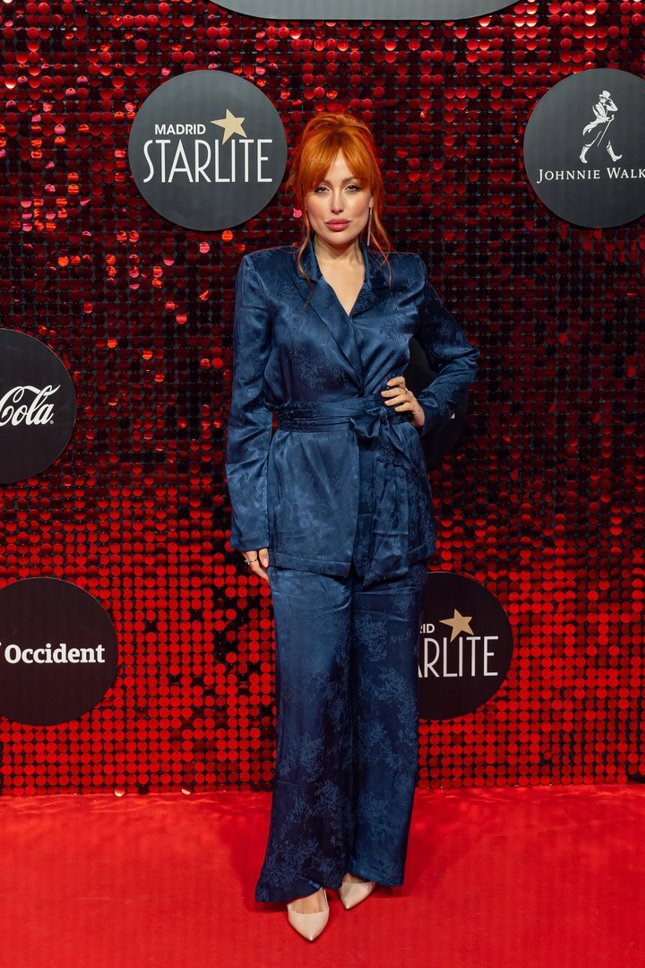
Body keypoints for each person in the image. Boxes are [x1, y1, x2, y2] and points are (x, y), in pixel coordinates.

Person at [226, 112, 479, 941]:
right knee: (310, 699)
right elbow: (247, 409)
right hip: (303, 504)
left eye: (353, 186)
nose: (338, 204)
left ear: (373, 196)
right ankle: (304, 866)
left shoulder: (404, 277)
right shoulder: (266, 276)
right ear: (299, 199)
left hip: (393, 508)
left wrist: (425, 405)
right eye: (322, 188)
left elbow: (460, 357)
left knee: (386, 698)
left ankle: (369, 853)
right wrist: (253, 519)